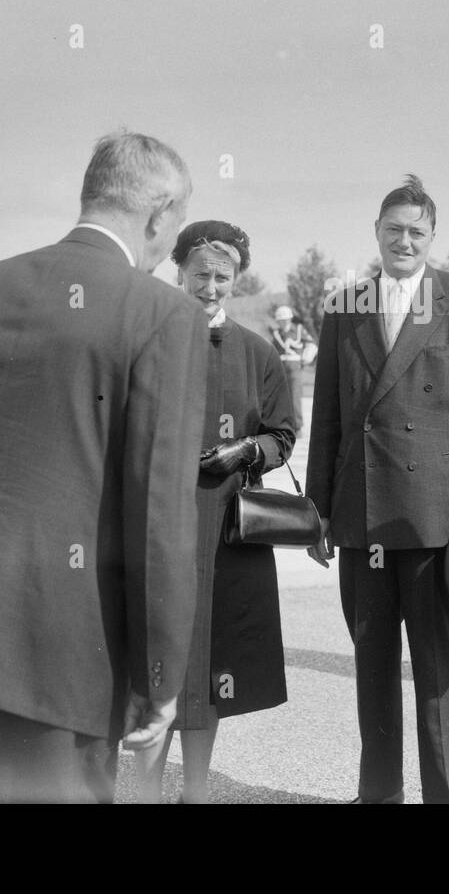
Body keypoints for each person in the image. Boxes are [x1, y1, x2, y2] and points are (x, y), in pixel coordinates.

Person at [0, 132, 209, 803]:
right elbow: (159, 517)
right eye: (174, 228)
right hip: (52, 654)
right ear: (158, 212)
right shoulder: (163, 313)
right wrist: (160, 673)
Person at [305, 174, 449, 804]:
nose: (405, 240)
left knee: (438, 672)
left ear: (432, 237)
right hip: (360, 514)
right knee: (371, 671)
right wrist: (316, 512)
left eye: (417, 230)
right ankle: (379, 796)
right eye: (394, 228)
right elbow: (329, 420)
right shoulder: (345, 307)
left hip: (434, 515)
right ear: (376, 233)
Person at [144, 221, 295, 804]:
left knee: (212, 660)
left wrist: (249, 449)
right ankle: (152, 791)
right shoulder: (147, 339)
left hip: (225, 526)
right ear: (178, 270)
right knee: (154, 657)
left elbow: (283, 433)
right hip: (156, 521)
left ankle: (198, 791)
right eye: (201, 274)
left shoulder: (257, 352)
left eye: (223, 276)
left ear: (237, 280)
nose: (211, 286)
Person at [269, 305, 315, 434]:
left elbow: (311, 345)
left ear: (290, 319)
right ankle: (283, 425)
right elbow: (273, 351)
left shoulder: (299, 330)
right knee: (280, 397)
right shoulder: (276, 333)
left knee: (295, 396)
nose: (283, 322)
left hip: (295, 366)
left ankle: (298, 426)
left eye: (285, 319)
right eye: (281, 320)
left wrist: (305, 358)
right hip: (281, 366)